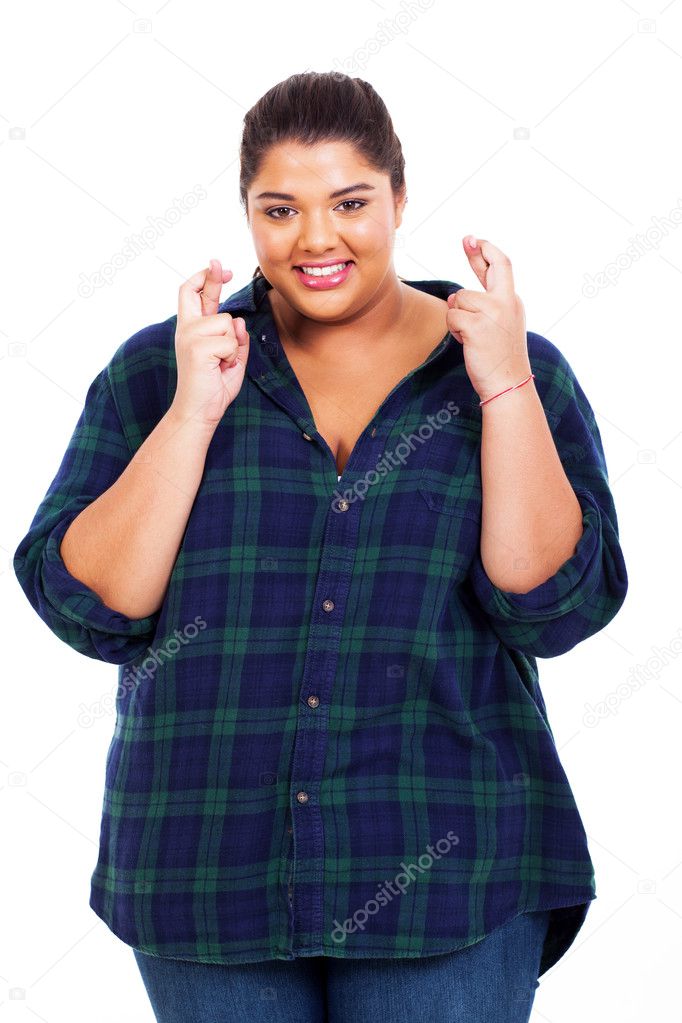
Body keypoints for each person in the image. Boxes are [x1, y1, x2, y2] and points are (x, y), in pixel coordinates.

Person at [13, 71, 628, 1023]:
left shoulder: (508, 364)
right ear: (247, 214)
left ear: (399, 197)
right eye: (280, 208)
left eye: (349, 202)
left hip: (449, 864)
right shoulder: (160, 367)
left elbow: (552, 606)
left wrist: (504, 385)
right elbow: (92, 608)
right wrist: (191, 413)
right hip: (204, 866)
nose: (316, 238)